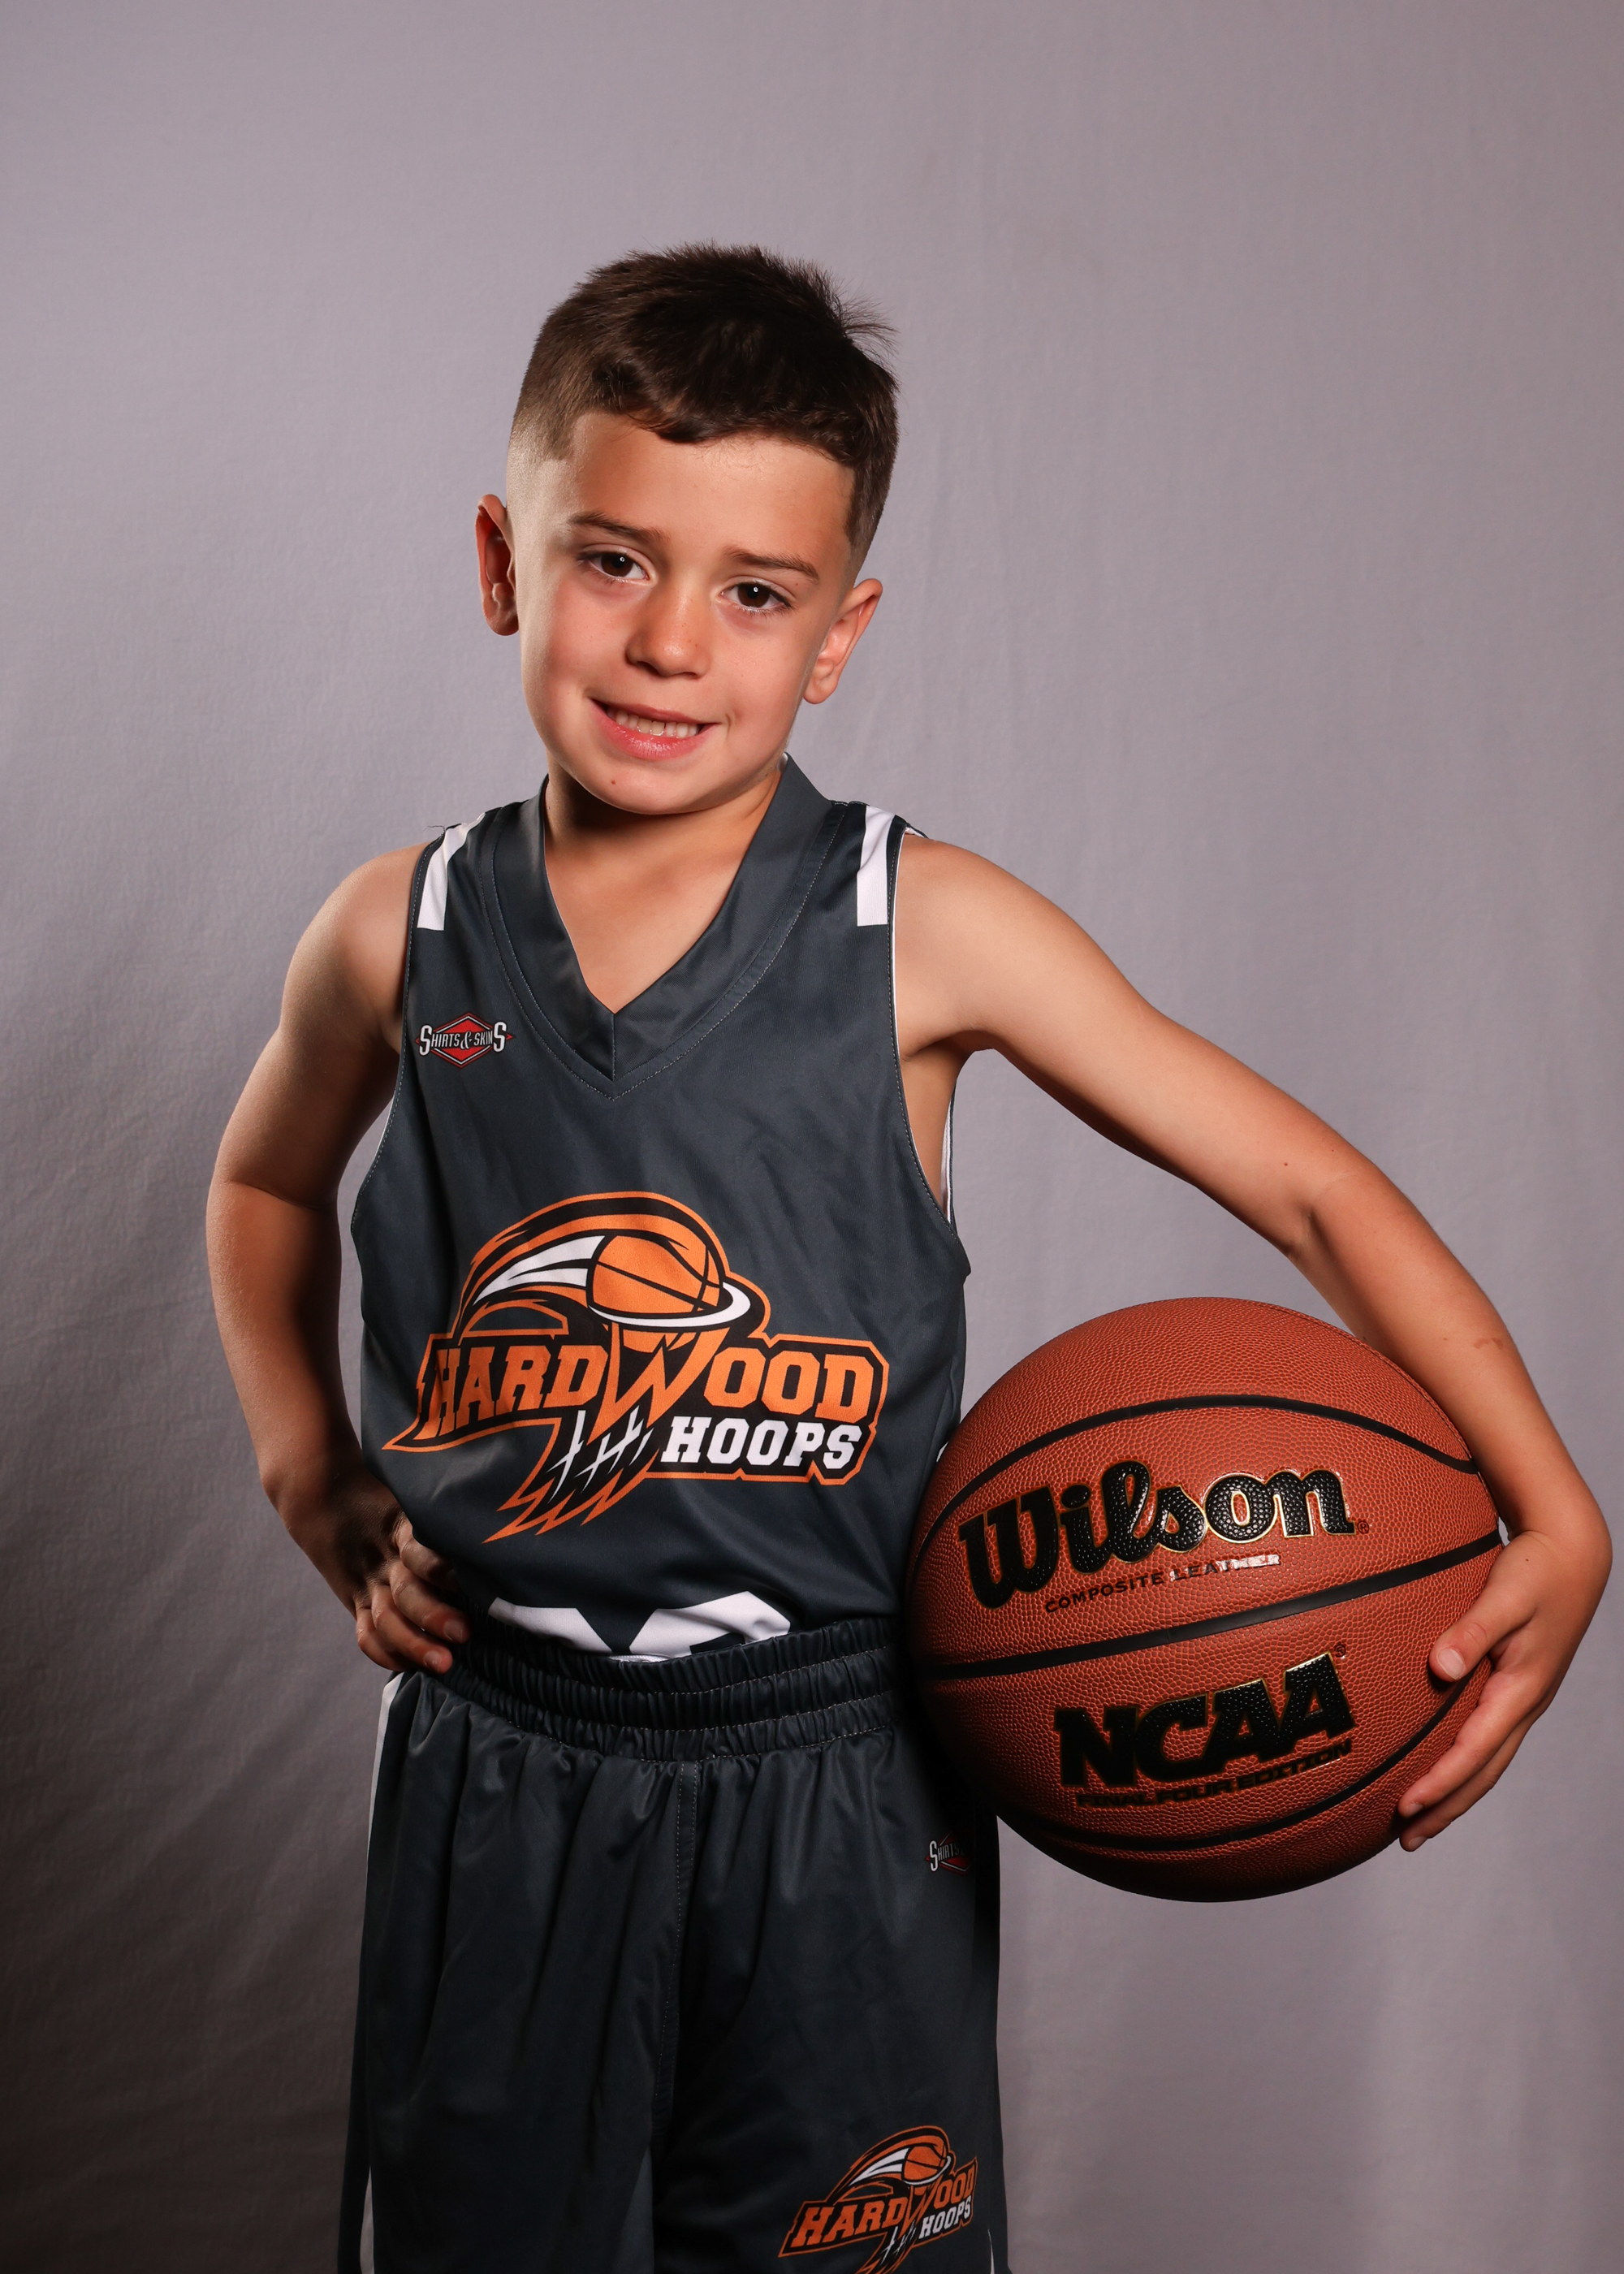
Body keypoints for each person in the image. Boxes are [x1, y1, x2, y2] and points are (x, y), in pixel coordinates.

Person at [206, 245, 1609, 2274]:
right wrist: (309, 1474)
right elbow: (264, 1188)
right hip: (505, 1750)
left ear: (838, 635)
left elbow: (1307, 1189)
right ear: (505, 562)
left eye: (753, 592)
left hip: (844, 1768)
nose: (671, 639)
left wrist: (1552, 1501)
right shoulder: (394, 930)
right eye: (615, 559)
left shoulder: (919, 925)